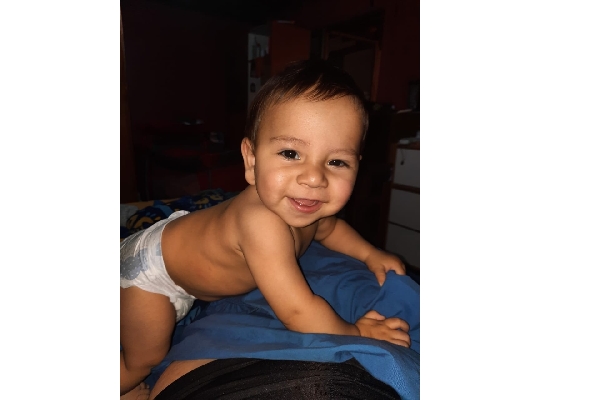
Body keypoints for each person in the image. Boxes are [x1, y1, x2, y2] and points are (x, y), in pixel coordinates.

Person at [120, 59, 409, 396]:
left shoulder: (306, 206)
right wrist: (357, 333)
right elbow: (298, 311)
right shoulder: (261, 223)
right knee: (144, 359)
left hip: (185, 256)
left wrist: (370, 254)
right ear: (251, 159)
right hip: (152, 275)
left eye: (336, 162)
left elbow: (330, 230)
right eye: (291, 153)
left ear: (357, 166)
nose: (314, 177)